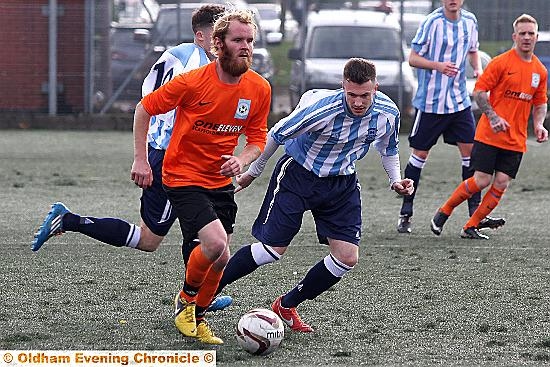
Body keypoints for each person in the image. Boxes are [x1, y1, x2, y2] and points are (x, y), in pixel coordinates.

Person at [31, 5, 232, 312]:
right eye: (221, 34)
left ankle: (197, 296)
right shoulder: (192, 62)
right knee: (150, 239)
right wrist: (143, 157)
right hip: (171, 157)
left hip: (185, 156)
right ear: (202, 35)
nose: (226, 41)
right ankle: (69, 219)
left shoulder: (189, 58)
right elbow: (149, 105)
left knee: (199, 229)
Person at [215, 58, 414, 332]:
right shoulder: (322, 110)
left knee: (346, 257)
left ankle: (285, 306)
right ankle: (205, 291)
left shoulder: (387, 112)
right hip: (299, 175)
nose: (358, 102)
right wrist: (254, 171)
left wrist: (395, 180)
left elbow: (388, 148)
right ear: (343, 87)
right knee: (271, 250)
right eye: (352, 95)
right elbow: (277, 133)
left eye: (365, 95)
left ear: (375, 88)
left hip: (341, 184)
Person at [133, 9, 270, 344]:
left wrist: (243, 159)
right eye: (238, 40)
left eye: (250, 40)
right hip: (182, 176)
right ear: (218, 44)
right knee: (216, 243)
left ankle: (200, 314)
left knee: (221, 257)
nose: (245, 46)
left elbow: (258, 138)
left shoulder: (259, 88)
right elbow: (144, 108)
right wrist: (141, 159)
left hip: (219, 182)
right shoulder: (192, 82)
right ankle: (185, 302)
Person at [430, 13, 548, 239]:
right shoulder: (501, 63)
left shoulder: (540, 71)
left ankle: (470, 226)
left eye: (530, 33)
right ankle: (444, 212)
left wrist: (539, 124)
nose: (526, 37)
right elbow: (479, 92)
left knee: (502, 183)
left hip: (516, 139)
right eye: (522, 33)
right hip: (489, 135)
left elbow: (540, 102)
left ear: (536, 37)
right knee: (481, 180)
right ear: (514, 36)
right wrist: (493, 117)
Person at [397, 0, 505, 234]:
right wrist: (437, 66)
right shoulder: (431, 22)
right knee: (420, 156)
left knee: (471, 156)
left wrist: (478, 69)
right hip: (431, 103)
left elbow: (473, 50)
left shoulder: (470, 21)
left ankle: (473, 219)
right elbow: (413, 58)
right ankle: (406, 212)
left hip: (459, 103)